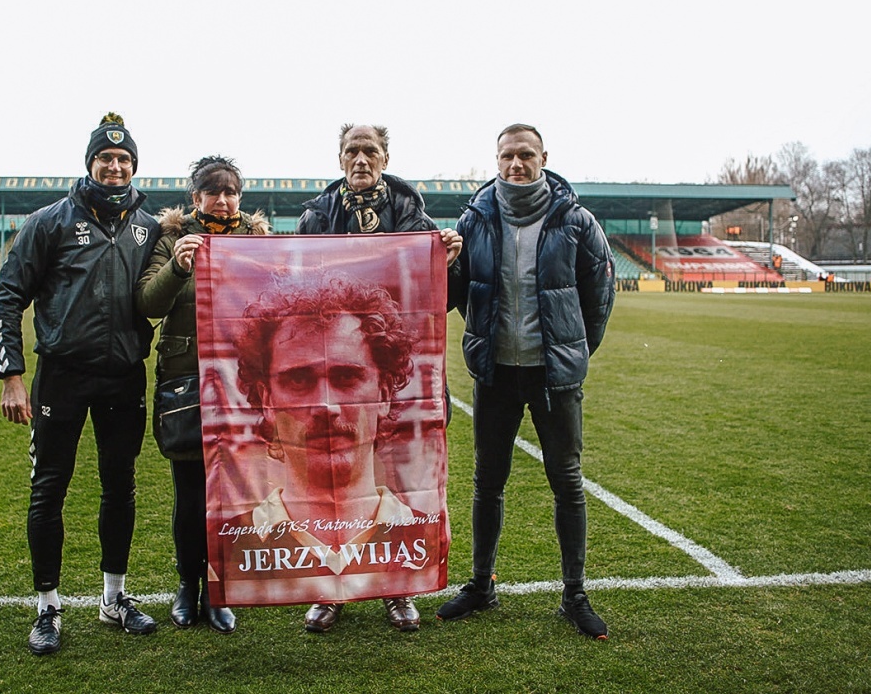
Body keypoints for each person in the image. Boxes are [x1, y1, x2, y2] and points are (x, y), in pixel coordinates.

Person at [0, 112, 162, 655]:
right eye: (105, 158)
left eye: (124, 159)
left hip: (124, 376)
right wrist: (11, 376)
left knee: (120, 485)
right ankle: (47, 607)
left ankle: (114, 598)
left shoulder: (149, 225)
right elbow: (8, 295)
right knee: (49, 488)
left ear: (134, 166)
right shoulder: (50, 221)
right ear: (90, 163)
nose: (115, 167)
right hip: (61, 376)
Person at [440, 122, 615, 640]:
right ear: (496, 160)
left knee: (567, 482)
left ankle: (574, 594)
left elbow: (599, 295)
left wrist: (571, 350)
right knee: (487, 482)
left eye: (525, 154)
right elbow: (453, 293)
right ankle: (481, 585)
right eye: (507, 156)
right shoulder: (475, 220)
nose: (516, 164)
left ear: (543, 158)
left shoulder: (576, 220)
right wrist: (448, 264)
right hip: (495, 372)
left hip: (552, 376)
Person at [295, 123, 461, 634]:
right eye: (352, 150)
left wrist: (450, 263)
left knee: (396, 483)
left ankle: (397, 589)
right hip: (336, 372)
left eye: (370, 150)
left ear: (385, 157)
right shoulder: (317, 217)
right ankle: (332, 590)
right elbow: (296, 292)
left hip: (396, 375)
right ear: (340, 158)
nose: (361, 159)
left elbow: (442, 302)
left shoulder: (415, 218)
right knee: (333, 486)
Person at [210, 274, 440, 613]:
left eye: (346, 377)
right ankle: (326, 598)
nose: (326, 406)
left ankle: (397, 594)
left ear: (384, 394)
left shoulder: (424, 533)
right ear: (267, 400)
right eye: (299, 379)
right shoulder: (233, 543)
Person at [135, 155, 270, 634]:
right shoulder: (173, 237)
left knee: (231, 493)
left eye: (231, 191)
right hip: (186, 379)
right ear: (195, 197)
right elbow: (147, 302)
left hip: (242, 383)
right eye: (213, 191)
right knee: (191, 493)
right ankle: (186, 585)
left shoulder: (256, 240)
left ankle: (218, 590)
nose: (223, 199)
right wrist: (177, 266)